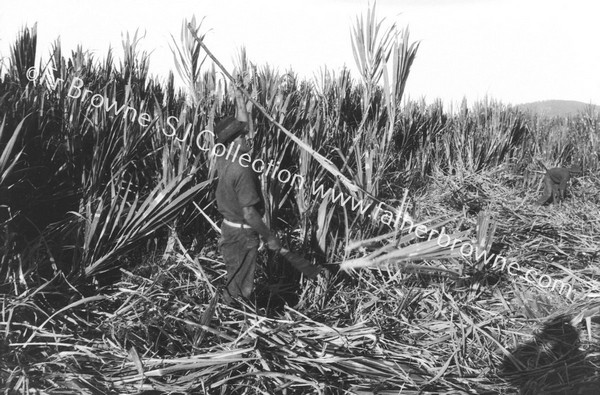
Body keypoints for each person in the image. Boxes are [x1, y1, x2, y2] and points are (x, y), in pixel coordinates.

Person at [214, 106, 282, 305]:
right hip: (242, 234)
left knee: (234, 277)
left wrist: (240, 98)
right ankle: (232, 323)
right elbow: (250, 212)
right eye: (243, 136)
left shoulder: (224, 158)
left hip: (229, 229)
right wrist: (270, 237)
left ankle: (228, 314)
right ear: (233, 143)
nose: (249, 139)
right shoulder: (243, 169)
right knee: (241, 288)